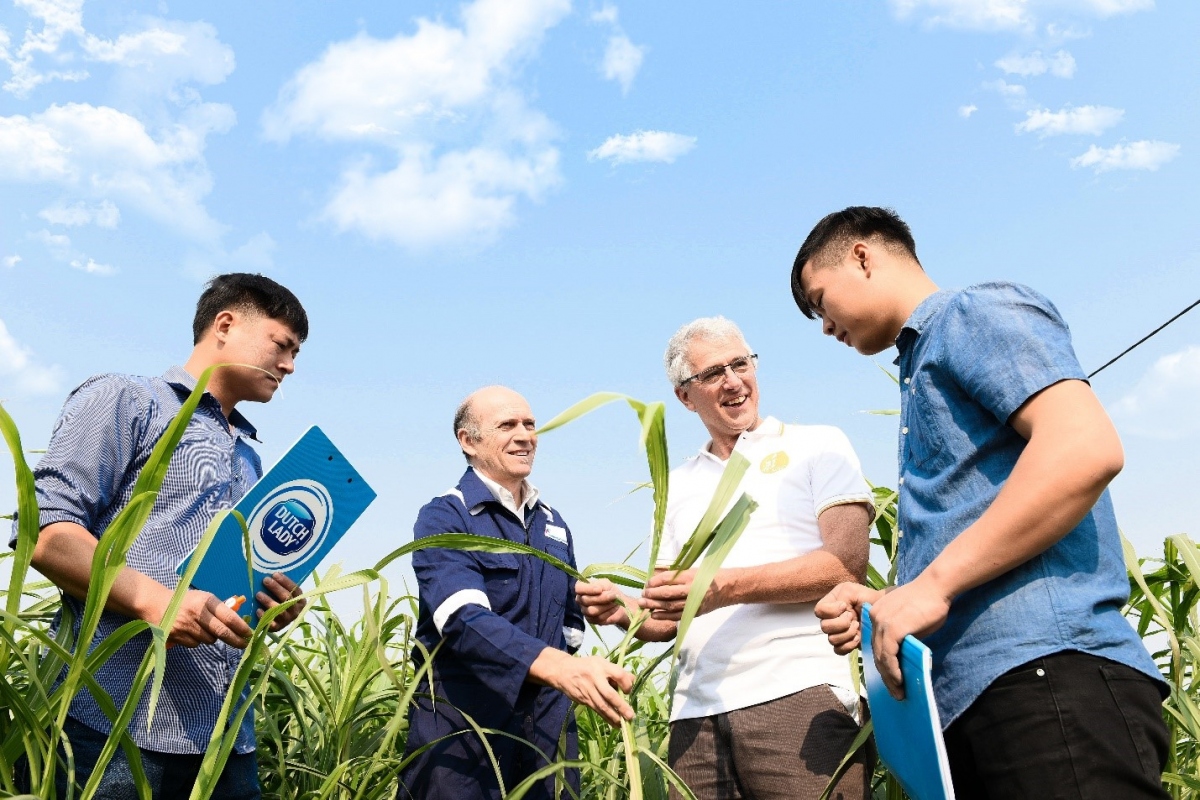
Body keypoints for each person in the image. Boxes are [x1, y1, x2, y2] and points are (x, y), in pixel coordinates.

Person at [790, 206, 1170, 799]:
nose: (823, 326)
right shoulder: (918, 366)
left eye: (819, 300)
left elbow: (1083, 447)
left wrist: (932, 585)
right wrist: (892, 602)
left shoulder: (972, 313)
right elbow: (976, 523)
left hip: (1044, 679)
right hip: (977, 701)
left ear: (863, 256)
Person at [16, 273, 311, 799]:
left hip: (225, 741)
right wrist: (155, 600)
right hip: (110, 725)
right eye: (282, 345)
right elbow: (44, 530)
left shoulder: (249, 456)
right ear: (225, 324)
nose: (289, 366)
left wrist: (269, 604)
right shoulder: (128, 400)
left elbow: (228, 592)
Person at [576, 317, 876, 800]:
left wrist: (720, 587)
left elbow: (844, 566)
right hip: (694, 715)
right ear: (684, 395)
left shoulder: (817, 444)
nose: (734, 380)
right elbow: (667, 616)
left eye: (741, 363)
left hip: (796, 694)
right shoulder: (678, 484)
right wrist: (623, 610)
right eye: (714, 373)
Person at [399, 385, 635, 800]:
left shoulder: (553, 523)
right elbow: (462, 619)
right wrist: (558, 667)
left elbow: (569, 626)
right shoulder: (446, 516)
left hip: (547, 731)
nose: (525, 435)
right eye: (507, 425)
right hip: (465, 733)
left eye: (529, 424)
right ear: (468, 441)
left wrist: (599, 606)